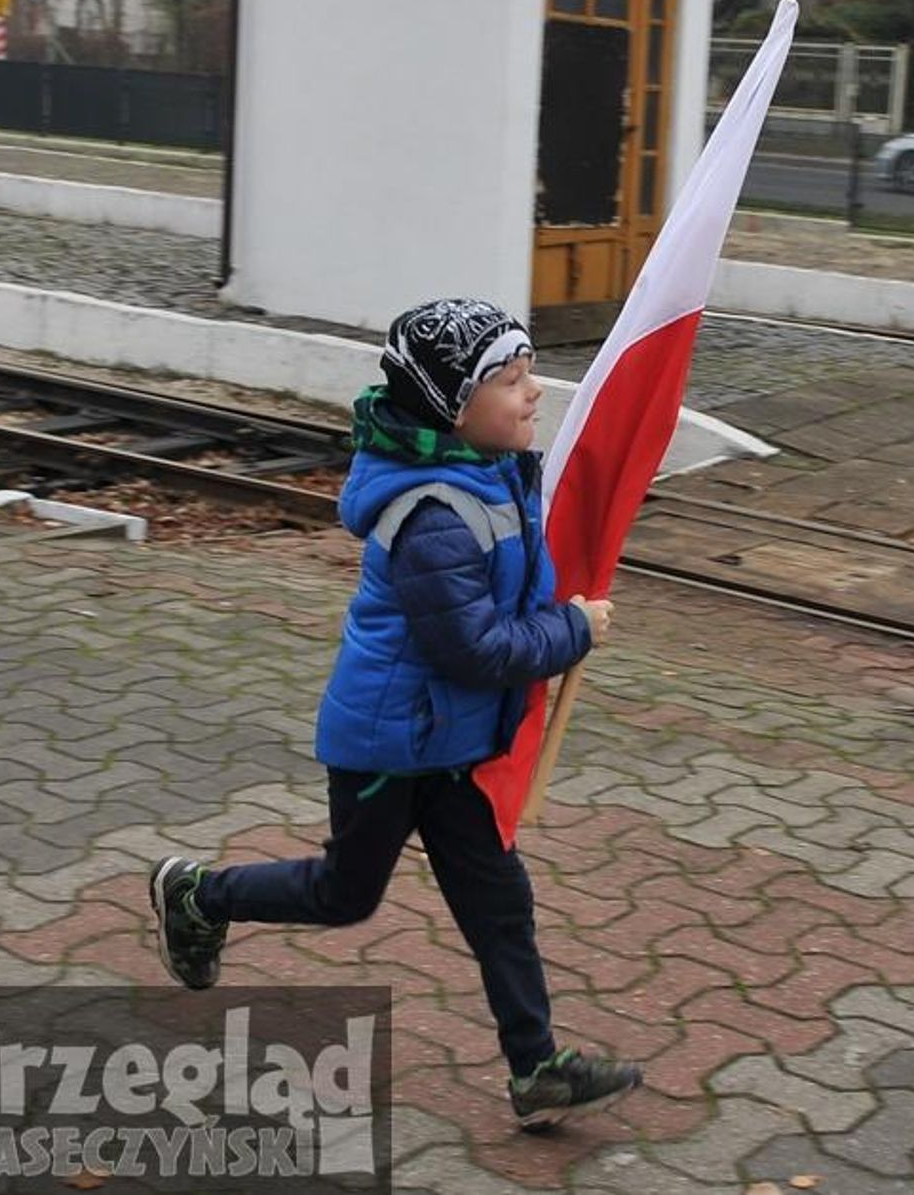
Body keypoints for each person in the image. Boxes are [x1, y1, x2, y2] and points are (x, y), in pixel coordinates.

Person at [150, 297, 642, 1130]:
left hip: (453, 745)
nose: (533, 395)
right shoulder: (434, 518)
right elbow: (473, 650)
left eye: (530, 377)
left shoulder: (495, 470)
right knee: (347, 894)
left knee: (499, 902)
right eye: (512, 381)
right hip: (387, 744)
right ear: (453, 406)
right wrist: (571, 630)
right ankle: (200, 894)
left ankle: (537, 1066)